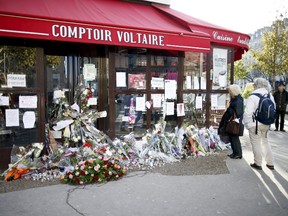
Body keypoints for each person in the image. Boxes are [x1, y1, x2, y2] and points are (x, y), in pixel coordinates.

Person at [243, 78, 275, 170]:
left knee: (256, 143)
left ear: (256, 85)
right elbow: (274, 109)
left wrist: (247, 124)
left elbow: (248, 112)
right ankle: (270, 163)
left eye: (254, 85)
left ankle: (258, 163)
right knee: (265, 142)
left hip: (255, 124)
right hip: (266, 123)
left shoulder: (253, 96)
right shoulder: (270, 96)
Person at [218, 84, 244, 159]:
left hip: (234, 122)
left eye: (230, 91)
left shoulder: (237, 100)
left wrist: (229, 110)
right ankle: (235, 153)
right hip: (234, 122)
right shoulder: (237, 99)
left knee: (234, 138)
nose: (229, 93)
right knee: (233, 138)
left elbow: (238, 112)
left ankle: (238, 154)